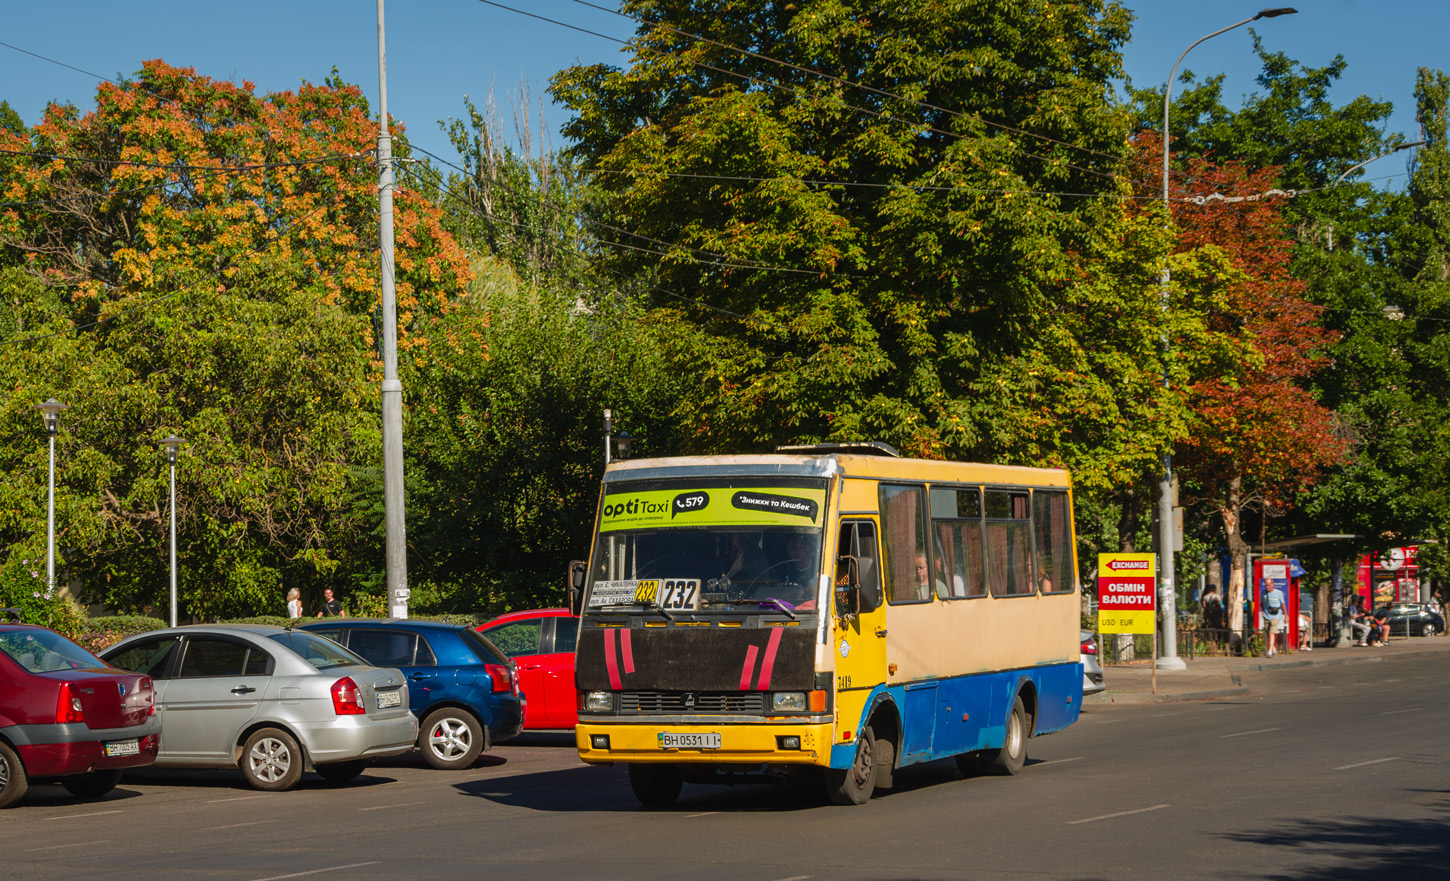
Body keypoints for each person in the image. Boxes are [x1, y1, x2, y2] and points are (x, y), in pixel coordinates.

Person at [1261, 578, 1287, 657]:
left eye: (1268, 585)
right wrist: (1262, 611)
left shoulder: (1278, 593)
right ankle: (1273, 647)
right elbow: (1261, 603)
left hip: (1276, 615)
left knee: (1272, 633)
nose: (1267, 587)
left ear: (1272, 584)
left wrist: (1286, 615)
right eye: (1266, 585)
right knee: (1268, 632)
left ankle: (1269, 651)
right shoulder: (1264, 593)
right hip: (1267, 615)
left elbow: (1283, 604)